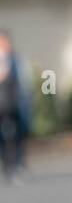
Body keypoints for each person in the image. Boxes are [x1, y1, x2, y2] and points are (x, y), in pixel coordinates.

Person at [0, 30, 32, 182]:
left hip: (13, 105)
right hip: (2, 106)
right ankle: (8, 166)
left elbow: (24, 81)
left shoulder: (16, 60)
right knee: (5, 137)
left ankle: (18, 164)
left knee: (16, 135)